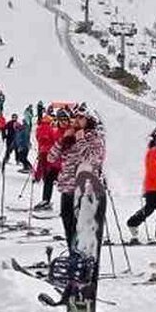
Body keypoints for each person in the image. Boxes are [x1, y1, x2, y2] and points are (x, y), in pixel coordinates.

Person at [48, 106, 106, 247]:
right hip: (67, 186)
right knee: (68, 222)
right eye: (76, 117)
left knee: (80, 225)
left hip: (84, 189)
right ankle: (72, 252)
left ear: (89, 120)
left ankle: (82, 255)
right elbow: (51, 157)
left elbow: (93, 159)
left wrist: (80, 140)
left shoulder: (95, 138)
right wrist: (63, 139)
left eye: (81, 117)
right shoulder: (70, 136)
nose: (77, 120)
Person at [128, 127, 156, 244]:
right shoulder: (153, 153)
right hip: (153, 187)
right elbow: (153, 170)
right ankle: (133, 222)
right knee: (150, 208)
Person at [32, 113, 61, 211]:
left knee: (42, 167)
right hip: (50, 152)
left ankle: (39, 178)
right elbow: (53, 139)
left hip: (42, 150)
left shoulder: (39, 128)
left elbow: (38, 138)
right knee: (49, 171)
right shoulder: (50, 129)